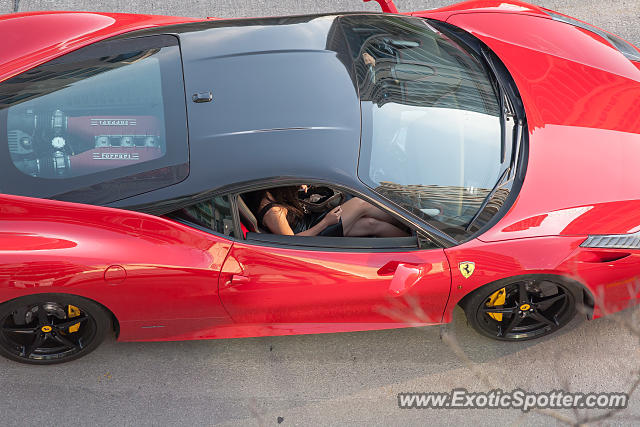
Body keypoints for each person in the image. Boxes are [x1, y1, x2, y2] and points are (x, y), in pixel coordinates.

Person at [253, 186, 408, 237]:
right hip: (315, 234)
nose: (303, 187)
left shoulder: (272, 192)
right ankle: (409, 221)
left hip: (313, 222)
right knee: (361, 204)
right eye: (299, 185)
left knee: (371, 224)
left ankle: (409, 236)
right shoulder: (273, 213)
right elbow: (293, 242)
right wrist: (326, 222)